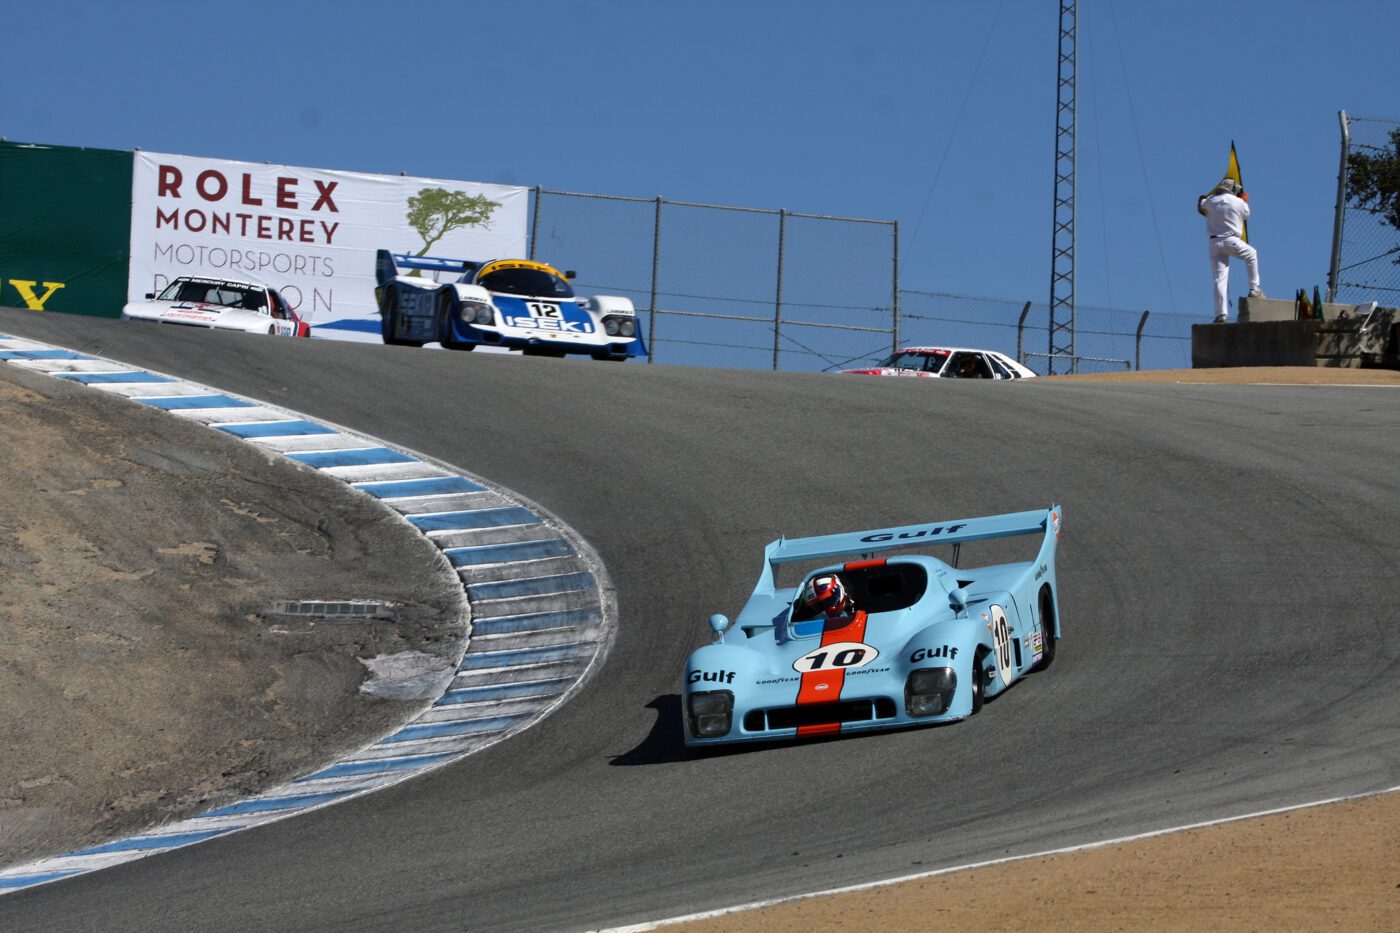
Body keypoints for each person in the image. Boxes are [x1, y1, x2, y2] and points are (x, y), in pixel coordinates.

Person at [1197, 178, 1263, 323]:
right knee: (1251, 254)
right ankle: (1254, 289)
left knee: (1219, 279)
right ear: (1233, 190)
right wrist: (1244, 200)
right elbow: (1246, 214)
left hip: (1214, 243)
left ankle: (1221, 314)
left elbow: (1201, 202)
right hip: (1230, 239)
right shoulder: (1238, 202)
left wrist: (1205, 198)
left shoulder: (1212, 200)